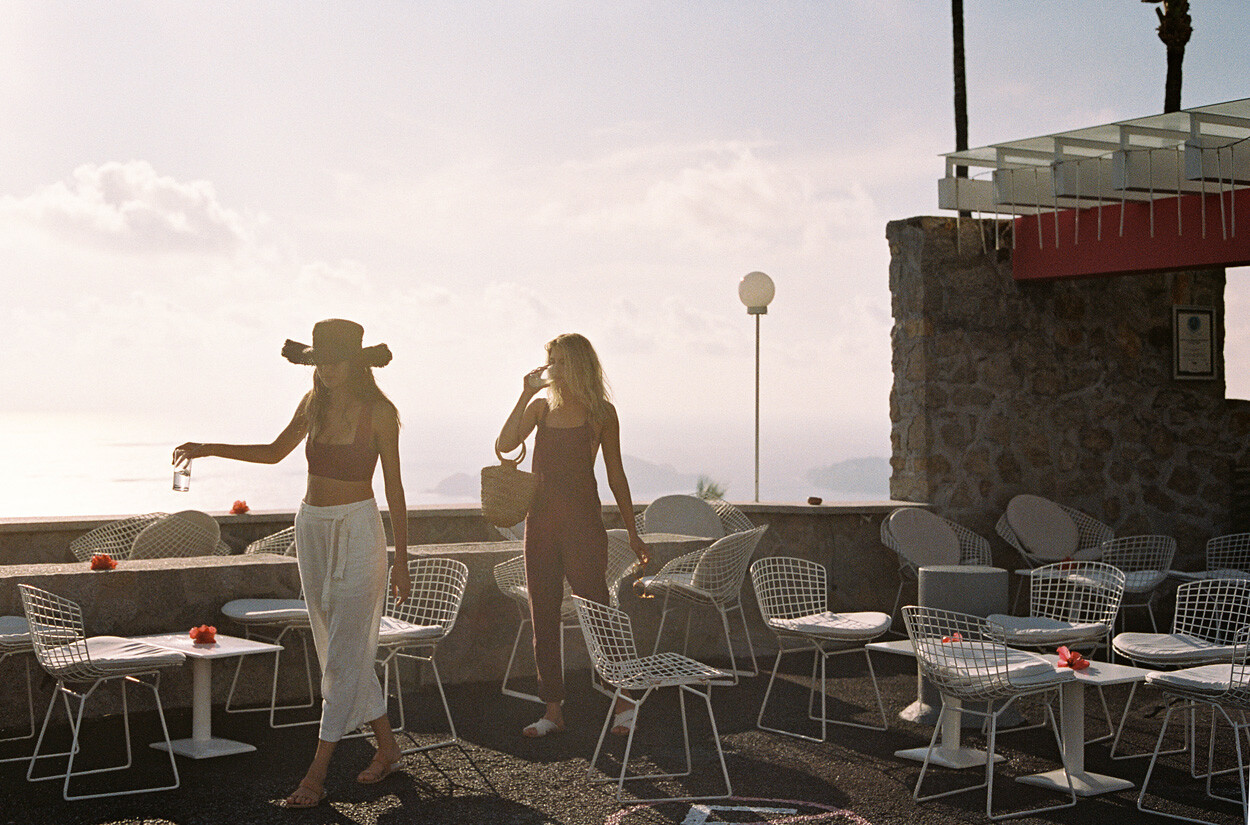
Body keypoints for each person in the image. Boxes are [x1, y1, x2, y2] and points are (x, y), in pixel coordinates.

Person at [173, 319, 410, 809]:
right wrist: (207, 448)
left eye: (334, 361)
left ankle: (315, 775)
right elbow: (274, 452)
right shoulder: (313, 403)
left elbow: (395, 489)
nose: (325, 370)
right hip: (312, 528)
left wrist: (401, 559)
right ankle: (388, 747)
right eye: (318, 361)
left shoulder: (381, 413)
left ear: (355, 363)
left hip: (359, 530)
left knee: (341, 652)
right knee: (337, 647)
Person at [496, 332, 650, 738]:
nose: (554, 369)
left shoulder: (602, 413)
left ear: (580, 365)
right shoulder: (540, 407)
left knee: (597, 609)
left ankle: (625, 697)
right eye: (552, 360)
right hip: (540, 523)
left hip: (582, 522)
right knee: (543, 614)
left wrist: (633, 530)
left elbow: (616, 474)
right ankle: (553, 710)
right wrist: (524, 393)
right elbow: (505, 444)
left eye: (562, 361)